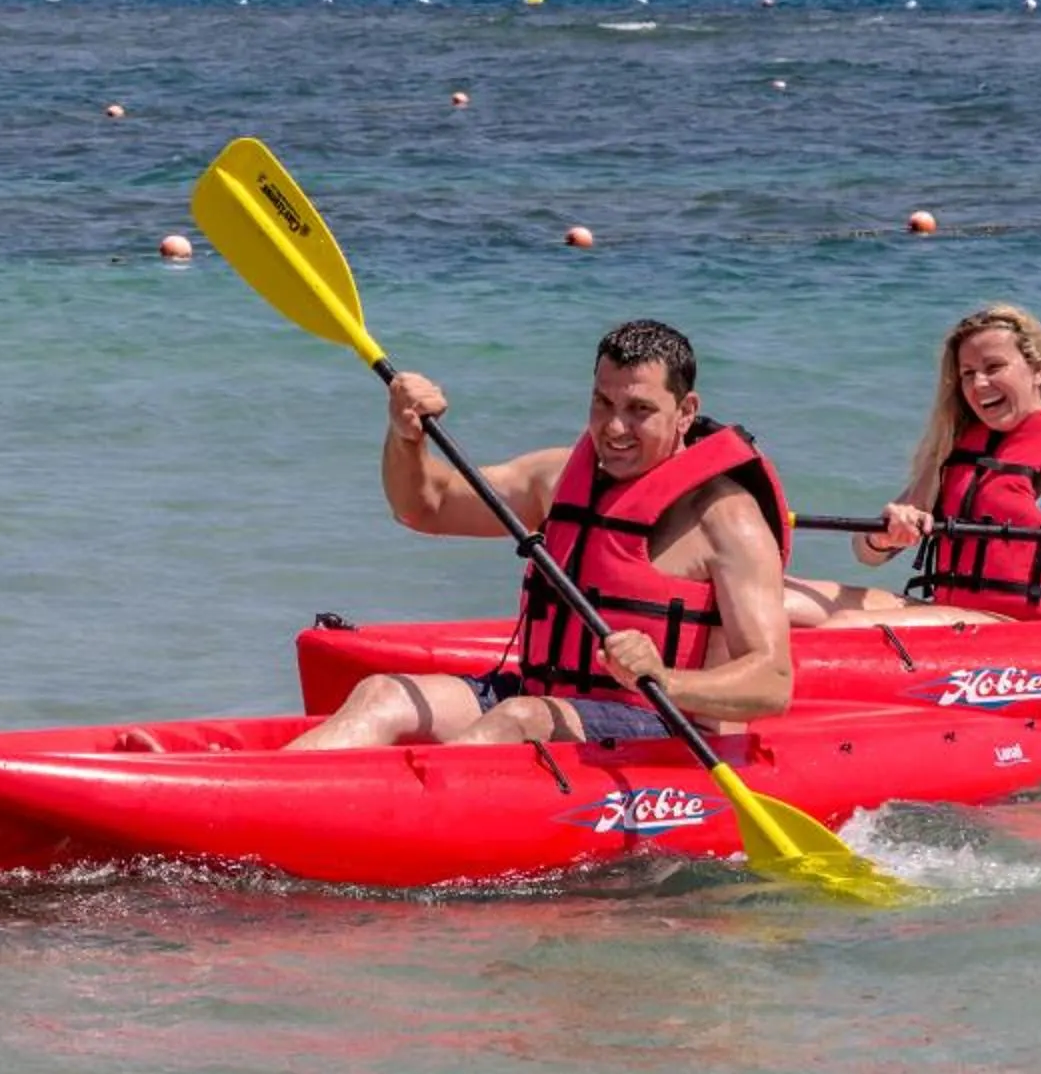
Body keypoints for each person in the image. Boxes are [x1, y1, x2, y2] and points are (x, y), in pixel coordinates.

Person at [286, 318, 796, 750]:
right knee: (383, 693)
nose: (614, 428)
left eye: (639, 410)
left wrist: (665, 679)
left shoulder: (726, 519)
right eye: (602, 403)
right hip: (541, 700)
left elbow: (772, 682)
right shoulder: (556, 479)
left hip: (662, 731)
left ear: (685, 412)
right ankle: (271, 803)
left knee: (519, 719)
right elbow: (424, 506)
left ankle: (411, 816)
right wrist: (406, 438)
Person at [783, 302, 1041, 627]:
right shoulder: (954, 453)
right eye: (967, 373)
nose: (978, 384)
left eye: (993, 367)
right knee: (775, 600)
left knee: (846, 625)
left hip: (1032, 635)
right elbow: (866, 555)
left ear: (1037, 370)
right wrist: (886, 535)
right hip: (952, 616)